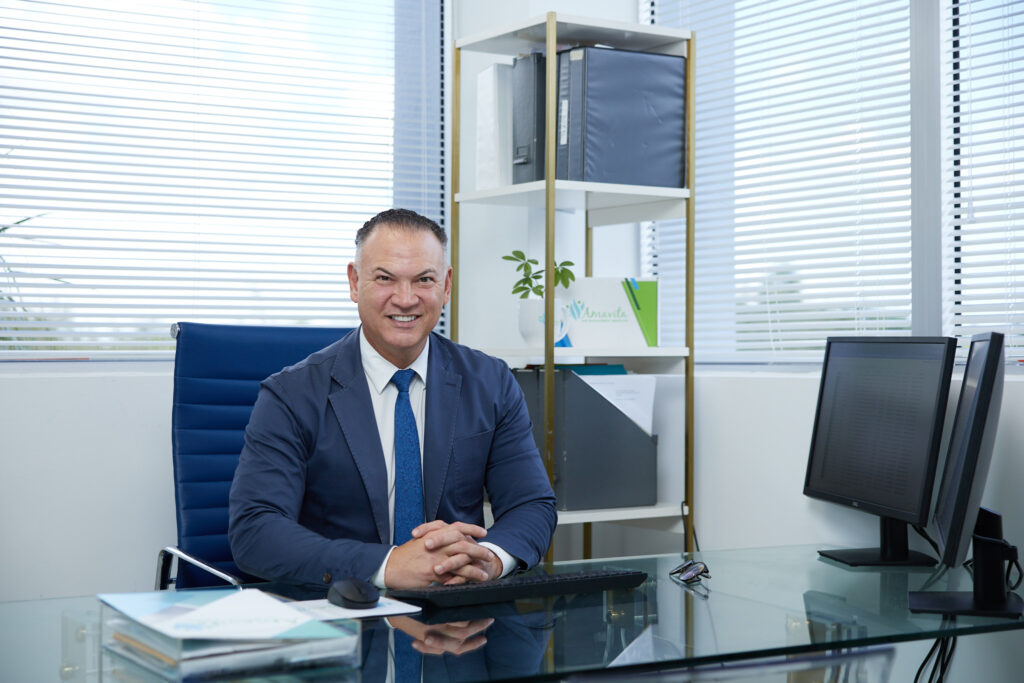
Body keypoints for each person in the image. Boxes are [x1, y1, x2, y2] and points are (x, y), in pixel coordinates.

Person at [228, 208, 557, 589]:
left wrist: (488, 561)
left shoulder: (492, 381)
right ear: (354, 282)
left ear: (446, 286)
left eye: (424, 280)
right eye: (385, 278)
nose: (405, 299)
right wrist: (388, 565)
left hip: (460, 615)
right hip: (341, 614)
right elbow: (256, 530)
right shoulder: (291, 395)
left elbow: (532, 505)